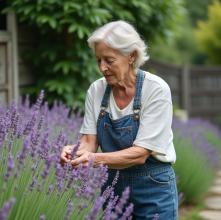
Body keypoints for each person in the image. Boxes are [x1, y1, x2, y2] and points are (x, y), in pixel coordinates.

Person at [61, 20, 178, 220]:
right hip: (113, 184)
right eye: (98, 60)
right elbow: (89, 142)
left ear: (131, 55)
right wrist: (74, 151)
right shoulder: (96, 90)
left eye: (109, 60)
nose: (102, 67)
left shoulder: (156, 89)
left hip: (153, 186)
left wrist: (93, 160)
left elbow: (140, 154)